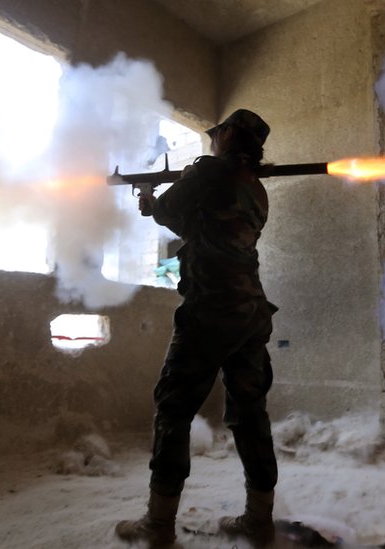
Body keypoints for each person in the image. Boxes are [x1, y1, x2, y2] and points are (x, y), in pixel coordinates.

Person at [115, 109, 279, 547]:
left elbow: (169, 211)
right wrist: (161, 203)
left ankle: (158, 527)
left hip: (210, 310)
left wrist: (153, 201)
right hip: (250, 311)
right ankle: (260, 521)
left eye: (217, 133)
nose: (213, 139)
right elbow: (201, 227)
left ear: (228, 135)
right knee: (251, 414)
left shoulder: (208, 172)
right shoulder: (256, 189)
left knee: (173, 409)